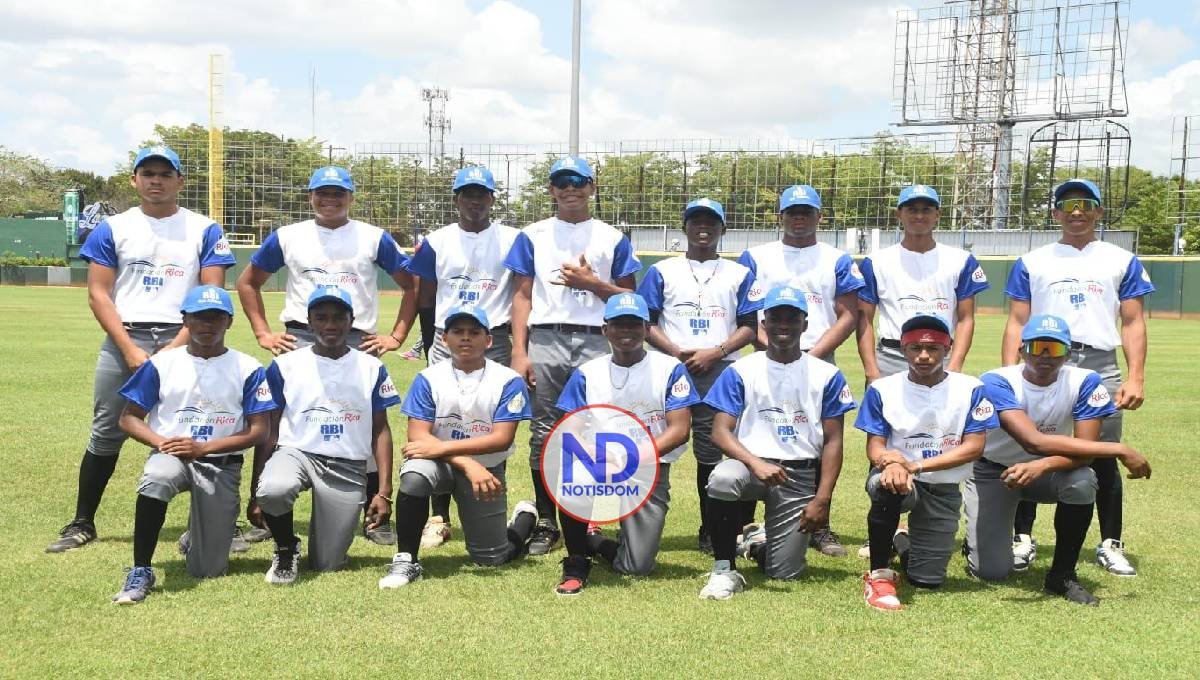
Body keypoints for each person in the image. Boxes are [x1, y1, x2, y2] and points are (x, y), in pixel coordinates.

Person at [48, 145, 236, 553]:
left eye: (165, 174)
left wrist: (177, 346)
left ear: (180, 182)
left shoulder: (204, 228)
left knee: (203, 424)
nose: (156, 180)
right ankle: (82, 521)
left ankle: (220, 521)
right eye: (147, 173)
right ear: (134, 180)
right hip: (125, 338)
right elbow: (98, 294)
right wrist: (130, 349)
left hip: (189, 338)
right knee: (107, 429)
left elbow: (211, 292)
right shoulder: (113, 228)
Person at [236, 165, 416, 546]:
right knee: (281, 423)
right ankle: (265, 509)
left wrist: (397, 335)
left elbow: (411, 283)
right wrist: (263, 332)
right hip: (301, 338)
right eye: (322, 193)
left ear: (351, 197)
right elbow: (247, 281)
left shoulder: (372, 237)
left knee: (360, 422)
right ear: (311, 196)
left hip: (357, 340)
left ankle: (374, 512)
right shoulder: (288, 236)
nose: (330, 200)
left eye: (338, 193)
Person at [1002, 178, 1154, 576]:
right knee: (1030, 447)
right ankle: (1022, 537)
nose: (1076, 212)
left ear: (1099, 211)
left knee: (1103, 452)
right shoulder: (1033, 261)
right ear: (1055, 213)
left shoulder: (1121, 259)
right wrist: (1010, 375)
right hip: (1041, 362)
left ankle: (1110, 542)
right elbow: (1017, 321)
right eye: (1067, 205)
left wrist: (1135, 376)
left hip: (1099, 363)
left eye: (1086, 204)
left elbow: (1134, 321)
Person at [503, 156, 641, 556]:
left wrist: (592, 283)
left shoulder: (611, 237)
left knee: (598, 431)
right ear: (551, 189)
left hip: (599, 340)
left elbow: (631, 299)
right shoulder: (533, 234)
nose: (570, 189)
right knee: (546, 431)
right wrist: (518, 351)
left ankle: (591, 519)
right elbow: (522, 295)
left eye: (578, 182)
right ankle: (548, 520)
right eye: (561, 182)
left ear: (591, 187)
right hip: (546, 336)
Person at [965, 314, 1152, 606]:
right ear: (1022, 349)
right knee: (991, 571)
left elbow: (1086, 452)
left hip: (1048, 471)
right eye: (1038, 346)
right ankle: (979, 541)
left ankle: (1062, 575)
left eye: (1054, 349)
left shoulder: (1085, 382)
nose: (1045, 356)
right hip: (996, 471)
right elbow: (1033, 441)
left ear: (1068, 353)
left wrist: (1042, 465)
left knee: (1082, 481)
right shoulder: (997, 381)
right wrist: (1119, 449)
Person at [110, 285, 277, 604]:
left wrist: (203, 449)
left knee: (207, 568)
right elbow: (128, 418)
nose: (207, 325)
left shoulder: (248, 368)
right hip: (172, 455)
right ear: (185, 320)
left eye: (216, 318)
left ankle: (197, 536)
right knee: (156, 478)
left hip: (221, 464)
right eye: (199, 317)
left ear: (229, 321)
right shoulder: (161, 364)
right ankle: (141, 568)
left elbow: (259, 431)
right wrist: (162, 442)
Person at [852, 183, 989, 558]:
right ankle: (887, 521)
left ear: (937, 215)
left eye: (927, 209)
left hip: (939, 354)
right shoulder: (877, 261)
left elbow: (965, 317)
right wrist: (872, 370)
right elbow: (864, 319)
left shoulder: (960, 259)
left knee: (940, 432)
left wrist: (955, 367)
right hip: (893, 352)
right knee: (883, 441)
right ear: (899, 214)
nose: (918, 215)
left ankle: (927, 516)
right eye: (911, 208)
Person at [698, 286, 856, 600]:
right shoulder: (741, 370)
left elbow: (834, 441)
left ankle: (757, 543)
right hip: (749, 467)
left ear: (805, 325)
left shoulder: (827, 375)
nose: (783, 325)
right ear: (764, 323)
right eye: (776, 318)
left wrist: (822, 499)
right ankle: (723, 568)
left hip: (798, 475)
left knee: (785, 572)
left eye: (792, 318)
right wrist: (755, 463)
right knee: (723, 478)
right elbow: (720, 432)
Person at [736, 185, 864, 557]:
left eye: (806, 212)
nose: (799, 218)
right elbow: (747, 313)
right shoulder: (755, 256)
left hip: (819, 360)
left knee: (819, 441)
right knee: (757, 431)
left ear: (819, 217)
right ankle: (744, 522)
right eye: (792, 212)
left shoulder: (836, 258)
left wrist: (813, 354)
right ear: (780, 216)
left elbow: (849, 314)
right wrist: (771, 349)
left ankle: (819, 523)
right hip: (765, 359)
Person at [378, 305, 537, 588]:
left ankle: (525, 517)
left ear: (488, 340)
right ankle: (406, 559)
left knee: (492, 557)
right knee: (414, 476)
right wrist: (467, 462)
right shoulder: (429, 378)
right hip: (445, 465)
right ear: (444, 339)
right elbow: (417, 435)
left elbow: (502, 438)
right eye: (458, 332)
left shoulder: (508, 380)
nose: (466, 338)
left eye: (474, 332)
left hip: (486, 470)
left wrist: (447, 452)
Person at [405, 165, 522, 549]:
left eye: (482, 194)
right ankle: (438, 516)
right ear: (456, 199)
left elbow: (523, 293)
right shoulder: (436, 241)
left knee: (492, 415)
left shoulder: (512, 239)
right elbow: (425, 294)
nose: (474, 201)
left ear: (492, 199)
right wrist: (429, 341)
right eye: (467, 194)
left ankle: (492, 495)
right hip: (446, 335)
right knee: (441, 419)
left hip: (495, 336)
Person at [552, 293, 699, 595]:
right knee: (572, 479)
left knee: (636, 567)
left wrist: (630, 458)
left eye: (634, 325)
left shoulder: (670, 368)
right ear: (605, 330)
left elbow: (680, 430)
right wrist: (595, 455)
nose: (626, 332)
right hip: (601, 465)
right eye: (618, 325)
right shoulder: (587, 373)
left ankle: (595, 541)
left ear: (647, 329)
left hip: (648, 469)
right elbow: (571, 430)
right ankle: (577, 558)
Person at [253, 286, 399, 584]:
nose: (330, 325)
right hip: (297, 453)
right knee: (274, 489)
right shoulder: (285, 364)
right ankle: (285, 547)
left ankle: (323, 545)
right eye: (321, 318)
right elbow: (269, 431)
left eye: (338, 318)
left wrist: (383, 490)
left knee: (327, 563)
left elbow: (381, 429)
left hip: (346, 465)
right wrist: (255, 492)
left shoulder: (371, 367)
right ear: (309, 322)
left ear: (351, 321)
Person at [637, 198, 759, 553]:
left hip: (719, 369)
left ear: (723, 229)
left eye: (711, 221)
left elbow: (750, 326)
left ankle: (711, 528)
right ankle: (643, 522)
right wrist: (678, 353)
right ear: (685, 227)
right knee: (659, 445)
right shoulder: (663, 270)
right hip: (670, 368)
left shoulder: (739, 273)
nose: (703, 227)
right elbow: (647, 323)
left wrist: (715, 352)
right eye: (695, 221)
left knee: (711, 453)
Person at [854, 314, 999, 611]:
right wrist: (889, 462)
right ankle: (879, 575)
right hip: (898, 478)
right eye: (914, 348)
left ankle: (901, 540)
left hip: (943, 487)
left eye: (933, 348)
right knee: (888, 486)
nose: (923, 355)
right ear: (902, 350)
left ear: (948, 349)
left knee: (927, 580)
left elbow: (974, 447)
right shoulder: (882, 389)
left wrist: (914, 465)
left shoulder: (971, 389)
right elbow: (875, 446)